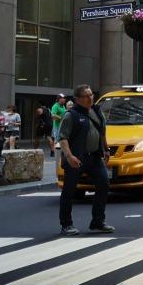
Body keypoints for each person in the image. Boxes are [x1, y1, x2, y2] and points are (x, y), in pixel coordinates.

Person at [58, 84, 113, 236]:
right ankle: (66, 224)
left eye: (91, 95)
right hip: (76, 157)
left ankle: (98, 221)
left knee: (103, 183)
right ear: (77, 99)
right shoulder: (71, 115)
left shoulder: (96, 110)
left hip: (94, 156)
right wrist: (69, 156)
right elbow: (62, 138)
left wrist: (106, 149)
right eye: (86, 96)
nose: (90, 98)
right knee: (69, 191)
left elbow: (102, 132)